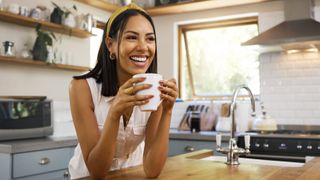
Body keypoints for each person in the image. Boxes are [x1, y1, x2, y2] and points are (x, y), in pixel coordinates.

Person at [68, 3, 178, 179]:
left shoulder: (154, 90)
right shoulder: (82, 88)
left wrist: (167, 111)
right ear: (110, 45)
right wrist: (114, 114)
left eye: (150, 39)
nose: (143, 47)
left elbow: (152, 170)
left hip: (132, 174)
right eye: (132, 37)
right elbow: (97, 172)